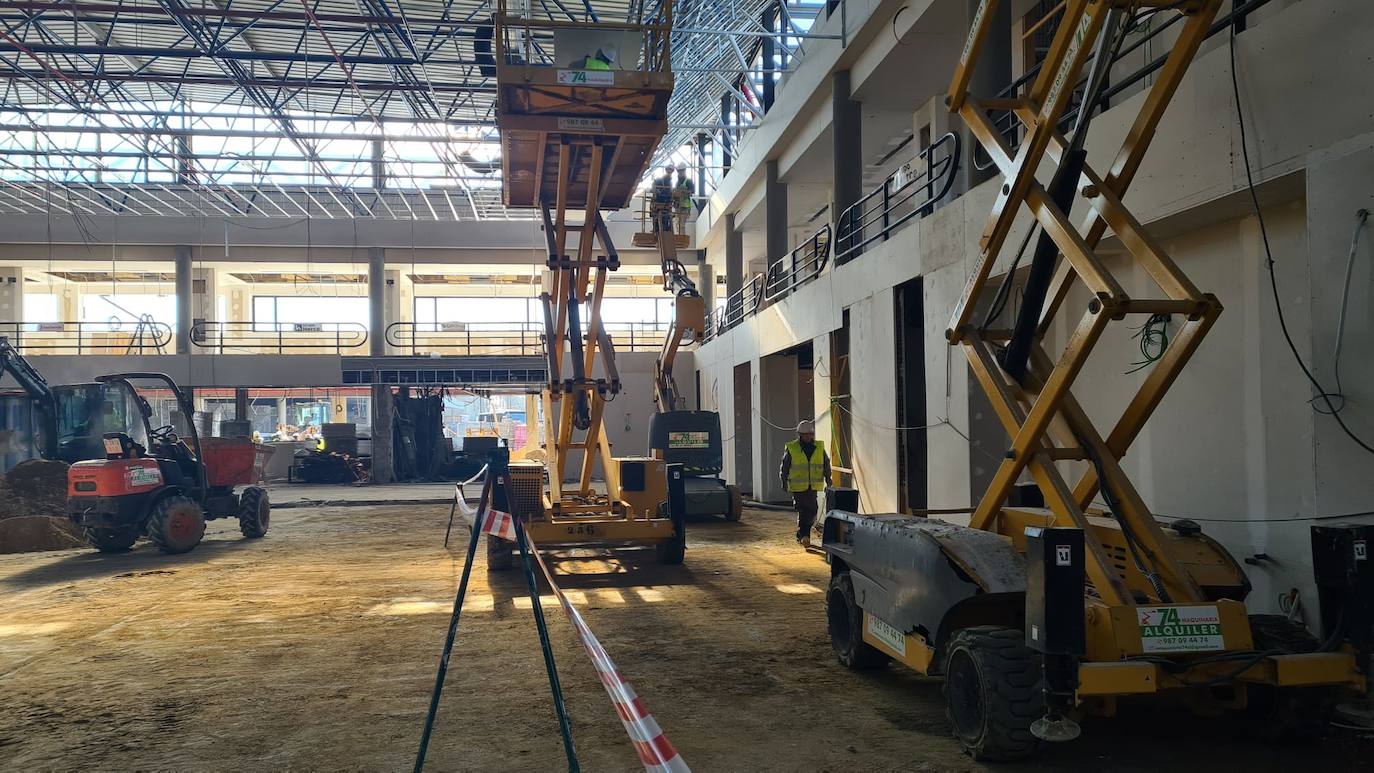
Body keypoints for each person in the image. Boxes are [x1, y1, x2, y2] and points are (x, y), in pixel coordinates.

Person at [779, 419, 830, 548]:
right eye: (804, 434)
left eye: (809, 434)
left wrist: (828, 479)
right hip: (798, 486)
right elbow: (785, 466)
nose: (807, 436)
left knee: (813, 510)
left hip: (812, 486)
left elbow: (826, 463)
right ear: (799, 435)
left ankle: (801, 534)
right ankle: (805, 536)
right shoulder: (792, 448)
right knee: (803, 510)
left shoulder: (819, 447)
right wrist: (783, 481)